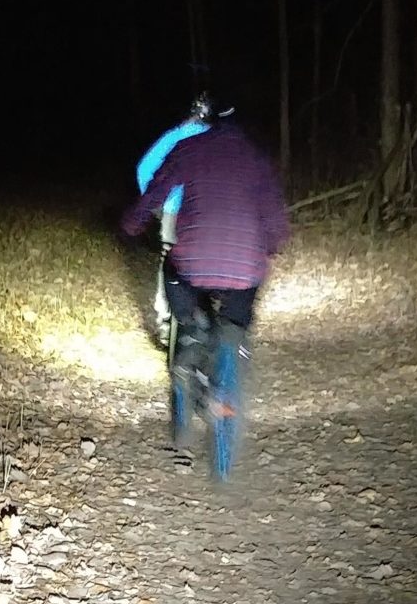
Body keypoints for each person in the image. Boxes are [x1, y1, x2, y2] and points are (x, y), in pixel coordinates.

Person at [121, 103, 290, 463]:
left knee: (173, 274)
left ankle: (194, 334)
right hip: (245, 267)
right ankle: (234, 344)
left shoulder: (189, 147)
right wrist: (271, 245)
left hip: (193, 259)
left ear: (206, 123)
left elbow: (152, 192)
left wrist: (133, 224)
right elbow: (276, 220)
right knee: (241, 307)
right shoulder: (256, 158)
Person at [135, 92, 214, 336]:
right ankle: (203, 314)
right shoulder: (216, 140)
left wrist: (157, 200)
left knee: (169, 261)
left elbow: (144, 168)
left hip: (173, 211)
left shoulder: (175, 136)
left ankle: (165, 319)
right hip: (204, 211)